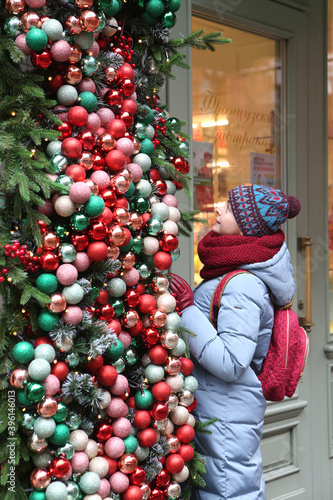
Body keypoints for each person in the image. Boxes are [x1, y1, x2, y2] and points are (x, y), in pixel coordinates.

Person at [169, 183, 301, 500]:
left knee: (229, 493)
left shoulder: (243, 284)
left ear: (246, 225)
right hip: (224, 410)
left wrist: (187, 309)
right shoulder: (236, 270)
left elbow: (232, 361)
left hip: (227, 416)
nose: (218, 209)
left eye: (227, 208)